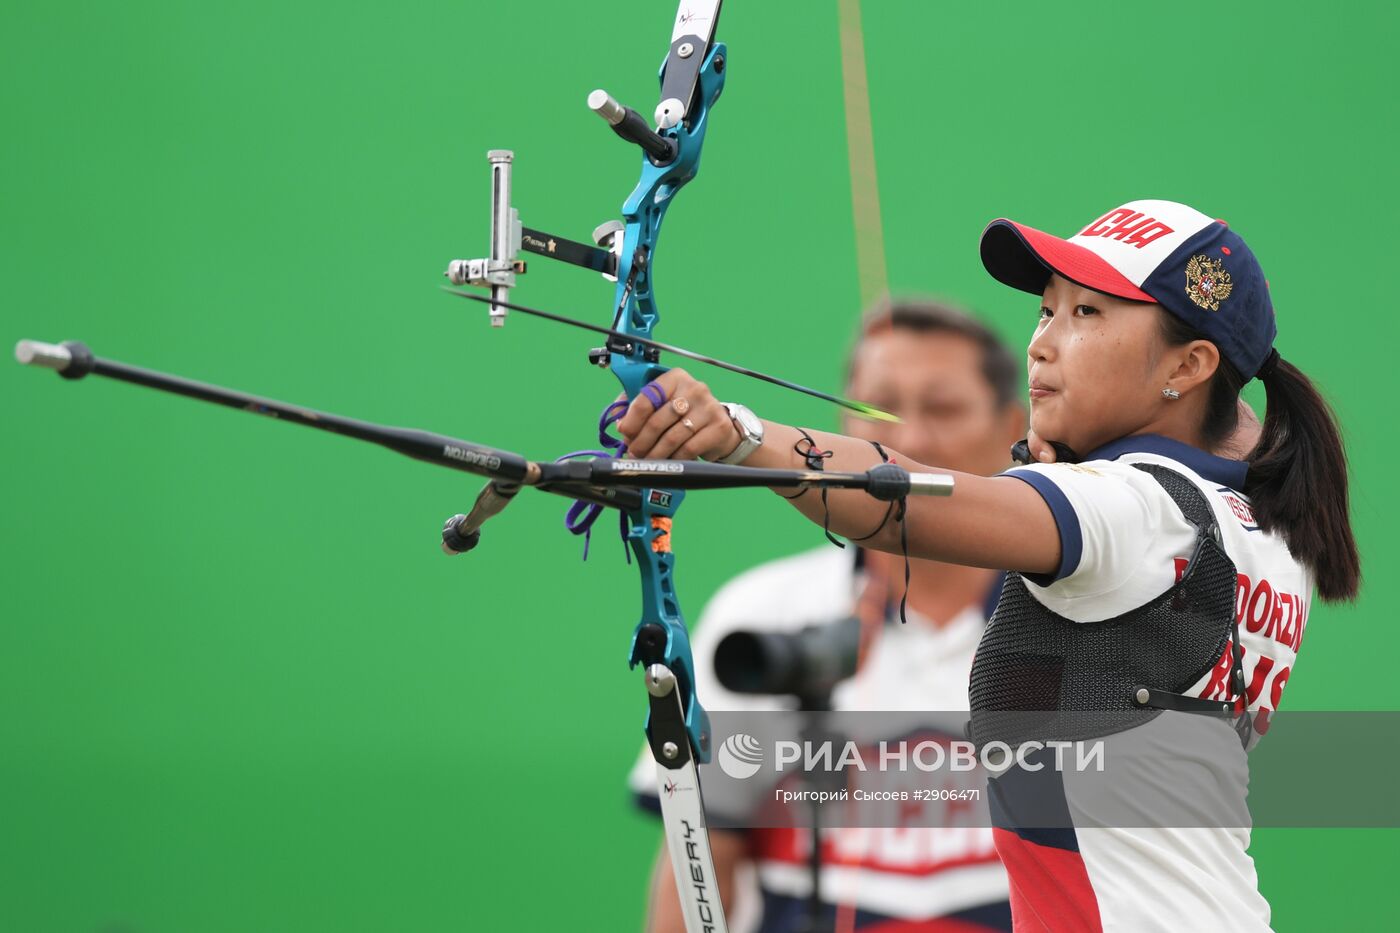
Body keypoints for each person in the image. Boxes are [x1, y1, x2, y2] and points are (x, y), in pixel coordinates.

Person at [617, 200, 1359, 930]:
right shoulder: (1251, 513)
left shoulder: (1132, 508)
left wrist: (739, 435)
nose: (1042, 342)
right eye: (1047, 309)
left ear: (1189, 363)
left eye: (1089, 315)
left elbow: (908, 501)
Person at [632, 299, 1027, 932]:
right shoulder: (761, 611)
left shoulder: (1076, 623)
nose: (913, 441)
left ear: (1013, 427)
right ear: (842, 424)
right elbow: (699, 865)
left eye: (945, 408)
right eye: (881, 411)